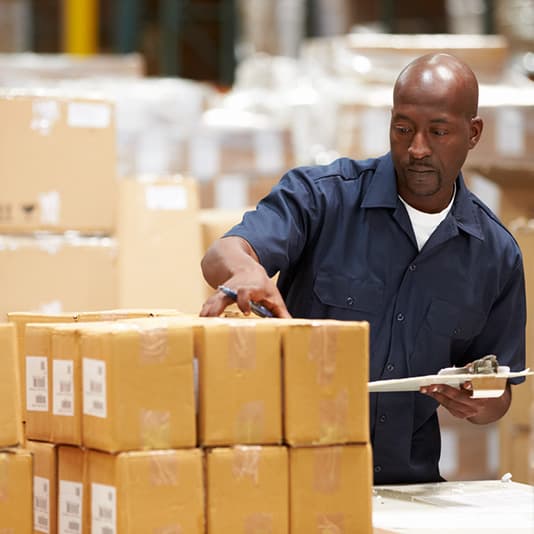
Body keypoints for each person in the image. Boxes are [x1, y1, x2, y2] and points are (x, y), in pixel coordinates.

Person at [200, 53, 526, 484]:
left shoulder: (495, 255)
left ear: (474, 133)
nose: (417, 149)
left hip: (407, 489)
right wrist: (244, 270)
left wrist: (479, 401)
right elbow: (223, 253)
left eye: (439, 131)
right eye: (403, 129)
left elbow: (498, 393)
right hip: (296, 478)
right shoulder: (321, 199)